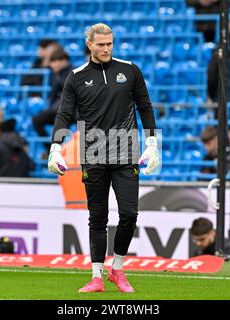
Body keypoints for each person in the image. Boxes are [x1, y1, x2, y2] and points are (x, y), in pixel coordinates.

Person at [47, 23, 160, 293]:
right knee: (97, 217)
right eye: (101, 44)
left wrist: (153, 143)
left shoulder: (130, 70)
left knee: (129, 214)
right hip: (93, 152)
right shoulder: (75, 77)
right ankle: (96, 276)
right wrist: (55, 147)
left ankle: (117, 269)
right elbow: (64, 114)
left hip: (126, 151)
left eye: (109, 43)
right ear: (90, 45)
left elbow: (145, 107)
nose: (106, 48)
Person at [32, 48, 75, 157]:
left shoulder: (74, 73)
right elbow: (54, 95)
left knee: (61, 121)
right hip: (58, 110)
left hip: (74, 112)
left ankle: (57, 152)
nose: (52, 65)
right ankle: (51, 151)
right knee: (37, 120)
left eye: (55, 62)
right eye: (52, 62)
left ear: (64, 61)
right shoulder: (55, 75)